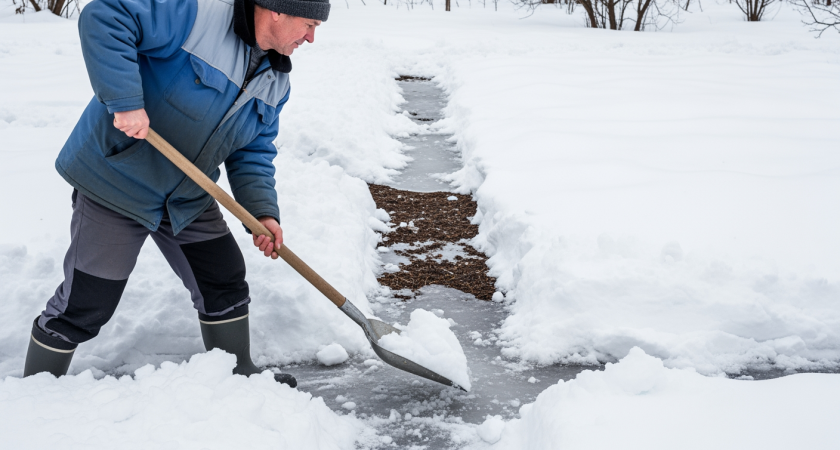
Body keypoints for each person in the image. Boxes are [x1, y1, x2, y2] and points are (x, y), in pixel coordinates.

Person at [22, 0, 330, 387]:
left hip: (186, 195)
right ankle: (36, 389)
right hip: (117, 183)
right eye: (309, 24)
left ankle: (238, 375)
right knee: (88, 300)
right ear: (276, 10)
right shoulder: (196, 18)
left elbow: (251, 153)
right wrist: (124, 101)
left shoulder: (275, 83)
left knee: (224, 279)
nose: (311, 38)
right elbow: (105, 16)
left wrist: (262, 213)